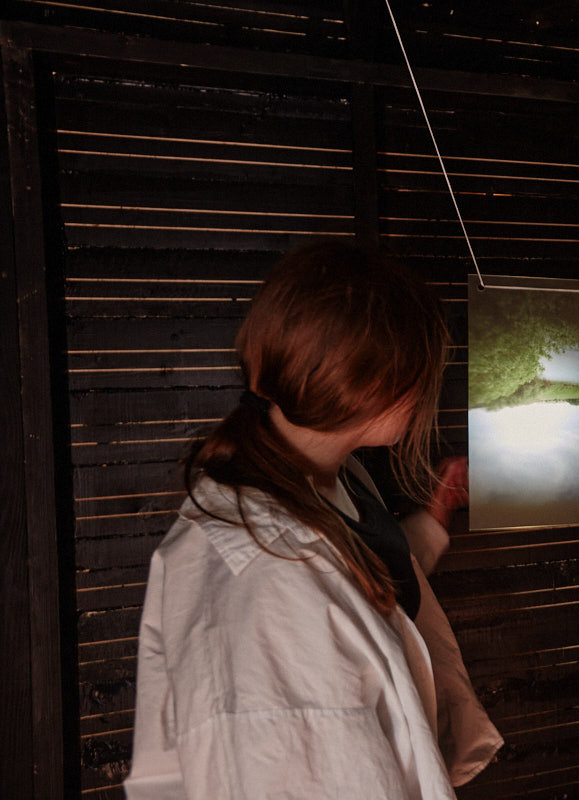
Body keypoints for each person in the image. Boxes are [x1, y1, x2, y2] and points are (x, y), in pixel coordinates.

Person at [125, 241, 502, 798]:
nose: (428, 391)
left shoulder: (321, 472)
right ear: (370, 387)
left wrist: (433, 517)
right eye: (423, 374)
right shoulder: (265, 586)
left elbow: (360, 591)